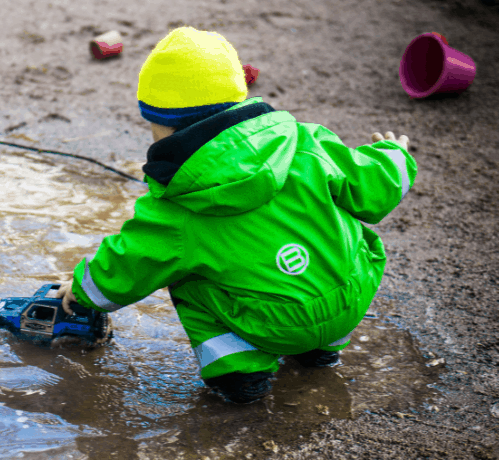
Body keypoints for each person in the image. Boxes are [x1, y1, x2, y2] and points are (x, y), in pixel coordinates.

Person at [57, 26, 417, 403]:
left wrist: (81, 292)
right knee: (334, 237)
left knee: (182, 274)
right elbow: (372, 186)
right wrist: (395, 155)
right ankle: (320, 351)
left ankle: (240, 372)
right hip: (349, 297)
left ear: (158, 122)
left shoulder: (175, 205)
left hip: (273, 324)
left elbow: (129, 263)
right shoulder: (306, 141)